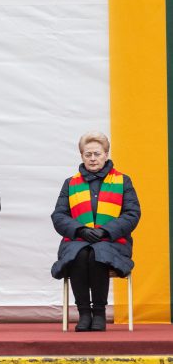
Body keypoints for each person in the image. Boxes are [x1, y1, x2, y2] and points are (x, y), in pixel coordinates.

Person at [51, 131, 139, 332]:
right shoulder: (70, 183)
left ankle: (99, 313)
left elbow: (132, 213)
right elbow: (59, 215)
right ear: (82, 156)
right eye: (88, 154)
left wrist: (106, 232)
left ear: (106, 154)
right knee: (80, 255)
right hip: (77, 241)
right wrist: (80, 230)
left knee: (98, 254)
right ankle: (84, 313)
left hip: (113, 242)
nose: (92, 158)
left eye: (97, 154)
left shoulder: (123, 181)